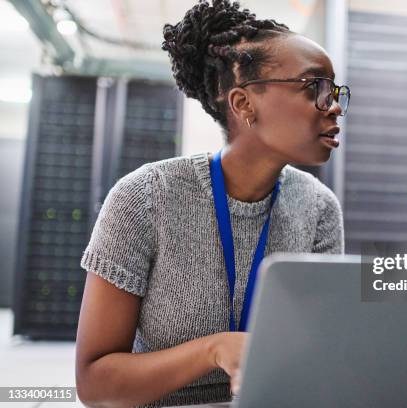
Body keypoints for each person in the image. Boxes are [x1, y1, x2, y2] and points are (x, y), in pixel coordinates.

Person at [74, 0, 350, 406]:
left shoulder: (319, 208)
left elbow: (322, 350)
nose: (335, 105)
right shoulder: (145, 197)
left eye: (335, 89)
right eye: (315, 87)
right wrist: (214, 350)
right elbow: (95, 385)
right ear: (243, 104)